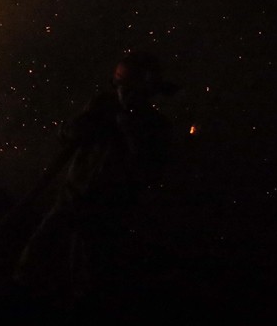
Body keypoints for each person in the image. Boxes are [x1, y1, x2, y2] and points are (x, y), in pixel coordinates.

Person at [14, 51, 175, 299]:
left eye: (131, 88)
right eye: (120, 86)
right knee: (34, 259)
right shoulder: (103, 107)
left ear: (147, 90)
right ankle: (19, 307)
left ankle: (78, 323)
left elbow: (149, 172)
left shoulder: (156, 127)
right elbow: (66, 135)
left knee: (88, 278)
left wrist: (129, 128)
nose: (124, 93)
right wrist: (85, 124)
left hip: (107, 212)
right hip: (71, 200)